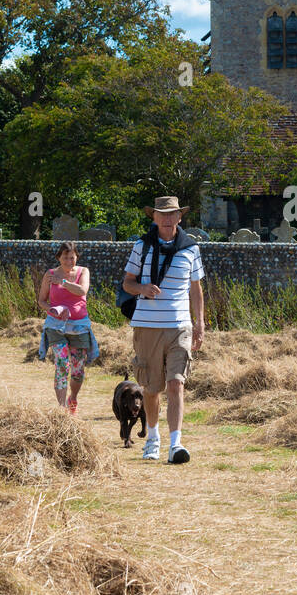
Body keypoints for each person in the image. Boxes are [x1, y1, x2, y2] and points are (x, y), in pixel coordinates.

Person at [121, 196, 205, 463]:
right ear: (154, 217)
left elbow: (196, 289)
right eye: (162, 214)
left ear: (180, 217)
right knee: (151, 388)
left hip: (180, 326)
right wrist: (142, 288)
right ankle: (153, 439)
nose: (168, 218)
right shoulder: (141, 247)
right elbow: (127, 284)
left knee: (176, 384)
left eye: (173, 214)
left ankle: (175, 444)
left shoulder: (191, 249)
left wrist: (199, 322)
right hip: (147, 327)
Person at [37, 242, 98, 415]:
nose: (69, 260)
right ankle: (62, 409)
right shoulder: (49, 275)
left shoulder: (83, 272)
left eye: (72, 257)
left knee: (77, 369)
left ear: (76, 257)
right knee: (62, 364)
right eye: (65, 257)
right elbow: (41, 300)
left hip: (79, 326)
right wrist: (52, 310)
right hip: (56, 327)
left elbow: (82, 291)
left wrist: (62, 282)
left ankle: (73, 398)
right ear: (59, 257)